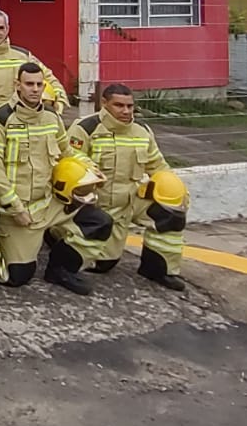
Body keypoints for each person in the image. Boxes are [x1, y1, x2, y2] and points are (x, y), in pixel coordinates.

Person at [0, 63, 104, 294]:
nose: (35, 89)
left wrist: (89, 167)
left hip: (49, 203)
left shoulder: (51, 117)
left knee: (98, 222)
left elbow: (67, 152)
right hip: (19, 210)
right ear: (17, 85)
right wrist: (15, 207)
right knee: (17, 277)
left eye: (39, 84)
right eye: (29, 84)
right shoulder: (0, 119)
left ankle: (60, 268)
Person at [66, 84, 188, 290]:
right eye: (119, 105)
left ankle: (159, 269)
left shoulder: (142, 132)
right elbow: (69, 166)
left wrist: (178, 191)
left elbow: (159, 167)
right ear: (104, 104)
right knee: (104, 265)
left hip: (129, 203)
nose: (126, 111)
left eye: (130, 106)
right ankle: (57, 239)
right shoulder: (85, 129)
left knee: (171, 210)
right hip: (94, 206)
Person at [0, 10, 69, 152]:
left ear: (8, 29)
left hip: (16, 131)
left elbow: (49, 78)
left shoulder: (22, 56)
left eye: (1, 28)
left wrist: (59, 102)